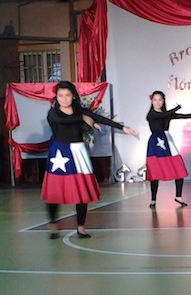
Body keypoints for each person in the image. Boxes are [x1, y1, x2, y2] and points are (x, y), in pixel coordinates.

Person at [42, 81, 138, 238]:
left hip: (78, 152)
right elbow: (65, 121)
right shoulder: (53, 113)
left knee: (81, 190)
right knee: (55, 190)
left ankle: (81, 227)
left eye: (67, 95)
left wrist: (122, 128)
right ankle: (53, 224)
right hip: (60, 153)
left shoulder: (80, 111)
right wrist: (85, 119)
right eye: (60, 96)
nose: (64, 99)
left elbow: (99, 118)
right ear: (56, 97)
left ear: (73, 96)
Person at [146, 90, 191, 208]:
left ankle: (178, 196)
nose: (157, 102)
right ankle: (153, 199)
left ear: (163, 101)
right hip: (155, 143)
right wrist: (177, 107)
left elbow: (183, 116)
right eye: (155, 100)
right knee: (155, 172)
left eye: (160, 100)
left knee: (178, 168)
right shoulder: (151, 114)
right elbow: (164, 115)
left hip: (168, 142)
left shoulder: (167, 114)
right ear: (152, 101)